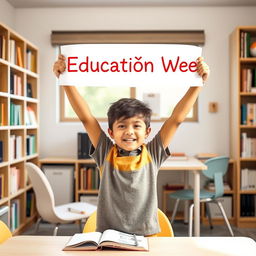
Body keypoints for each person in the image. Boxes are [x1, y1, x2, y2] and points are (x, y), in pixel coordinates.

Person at [53, 54, 210, 236]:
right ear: (111, 132)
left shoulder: (152, 153)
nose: (129, 131)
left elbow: (176, 119)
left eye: (136, 126)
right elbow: (86, 118)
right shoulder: (105, 152)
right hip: (108, 237)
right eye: (122, 126)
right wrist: (64, 80)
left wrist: (198, 84)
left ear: (147, 132)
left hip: (147, 236)